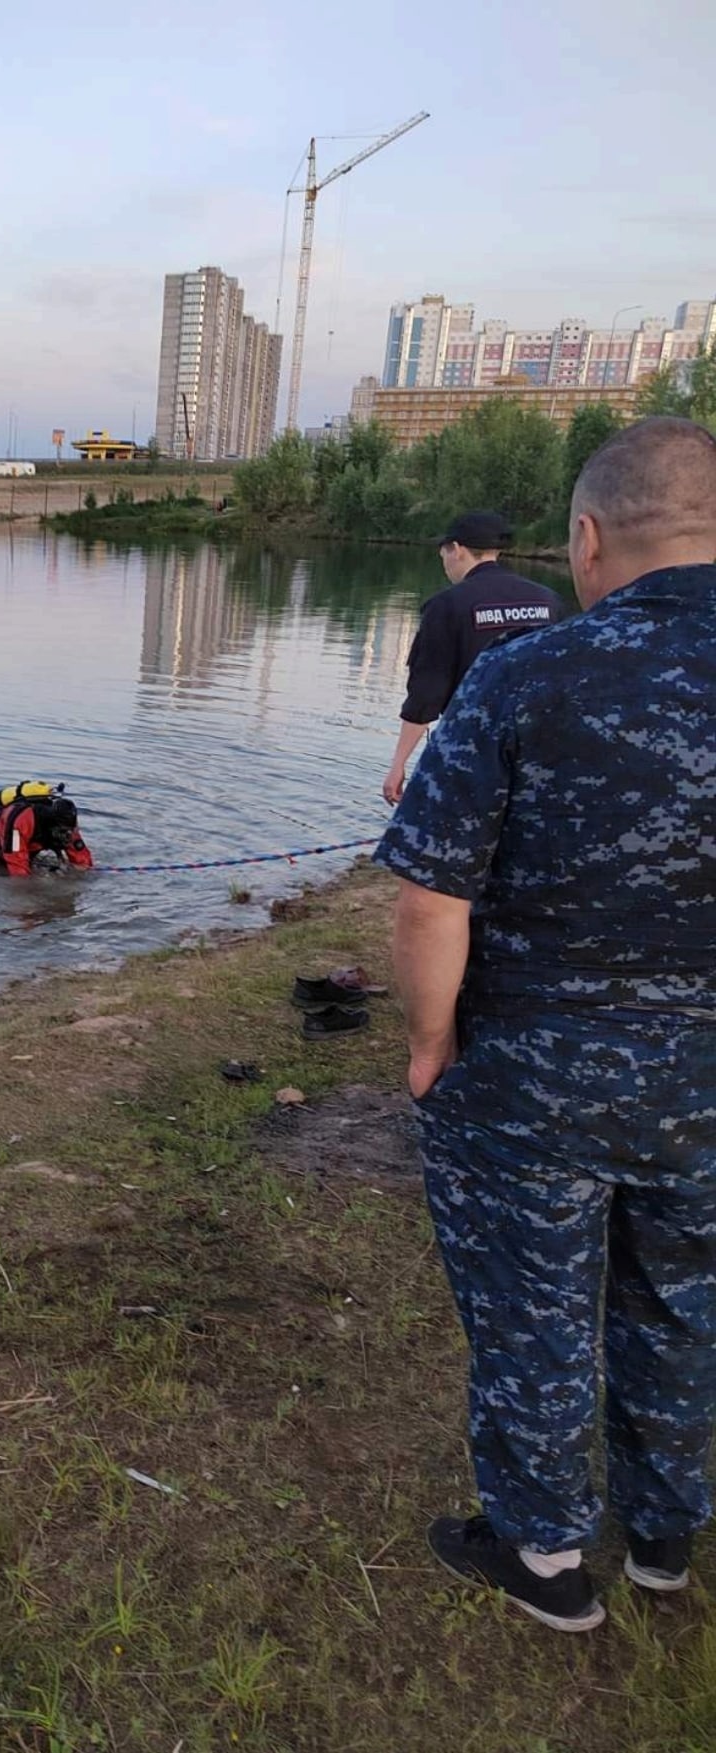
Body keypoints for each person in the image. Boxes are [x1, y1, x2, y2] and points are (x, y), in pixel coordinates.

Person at [373, 417, 716, 1633]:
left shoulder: (530, 675)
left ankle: (548, 1562)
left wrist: (427, 1045)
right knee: (682, 1299)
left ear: (586, 536)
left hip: (535, 1078)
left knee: (536, 1307)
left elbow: (431, 894)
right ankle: (666, 1535)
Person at [382, 511, 566, 805]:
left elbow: (425, 696)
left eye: (444, 552)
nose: (444, 561)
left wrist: (398, 765)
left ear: (457, 549)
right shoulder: (548, 601)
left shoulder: (447, 606)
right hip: (540, 752)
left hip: (471, 754)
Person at [0, 782, 93, 879]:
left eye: (70, 831)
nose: (68, 835)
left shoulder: (66, 825)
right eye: (64, 831)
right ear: (51, 823)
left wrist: (83, 871)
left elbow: (81, 857)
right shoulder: (21, 822)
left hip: (13, 844)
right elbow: (18, 867)